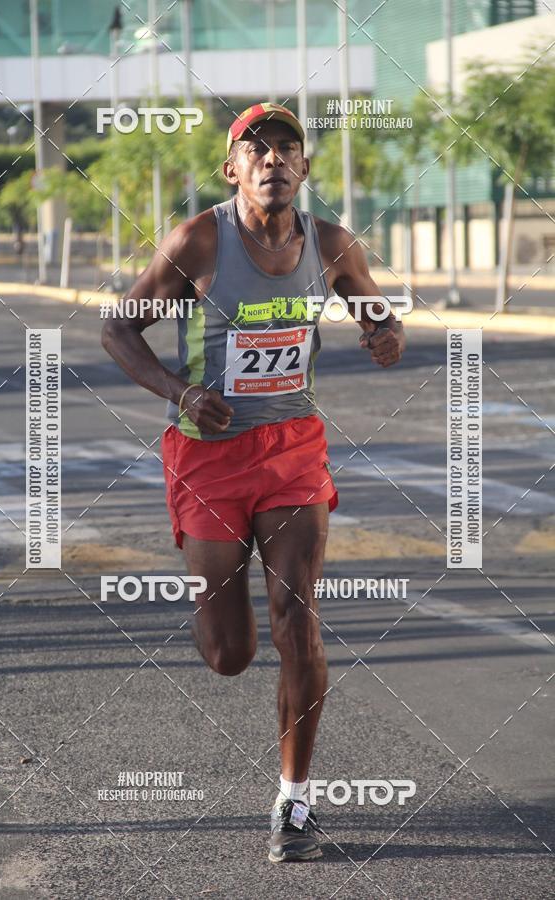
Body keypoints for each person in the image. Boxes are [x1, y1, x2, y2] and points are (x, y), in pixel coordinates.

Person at [102, 101, 405, 862]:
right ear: (231, 169)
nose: (273, 159)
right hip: (209, 455)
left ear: (303, 169)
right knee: (229, 653)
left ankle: (295, 802)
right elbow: (117, 328)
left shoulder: (331, 243)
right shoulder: (198, 241)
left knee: (296, 619)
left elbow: (373, 309)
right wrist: (179, 391)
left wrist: (383, 330)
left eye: (287, 149)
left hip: (293, 447)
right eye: (256, 149)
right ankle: (221, 626)